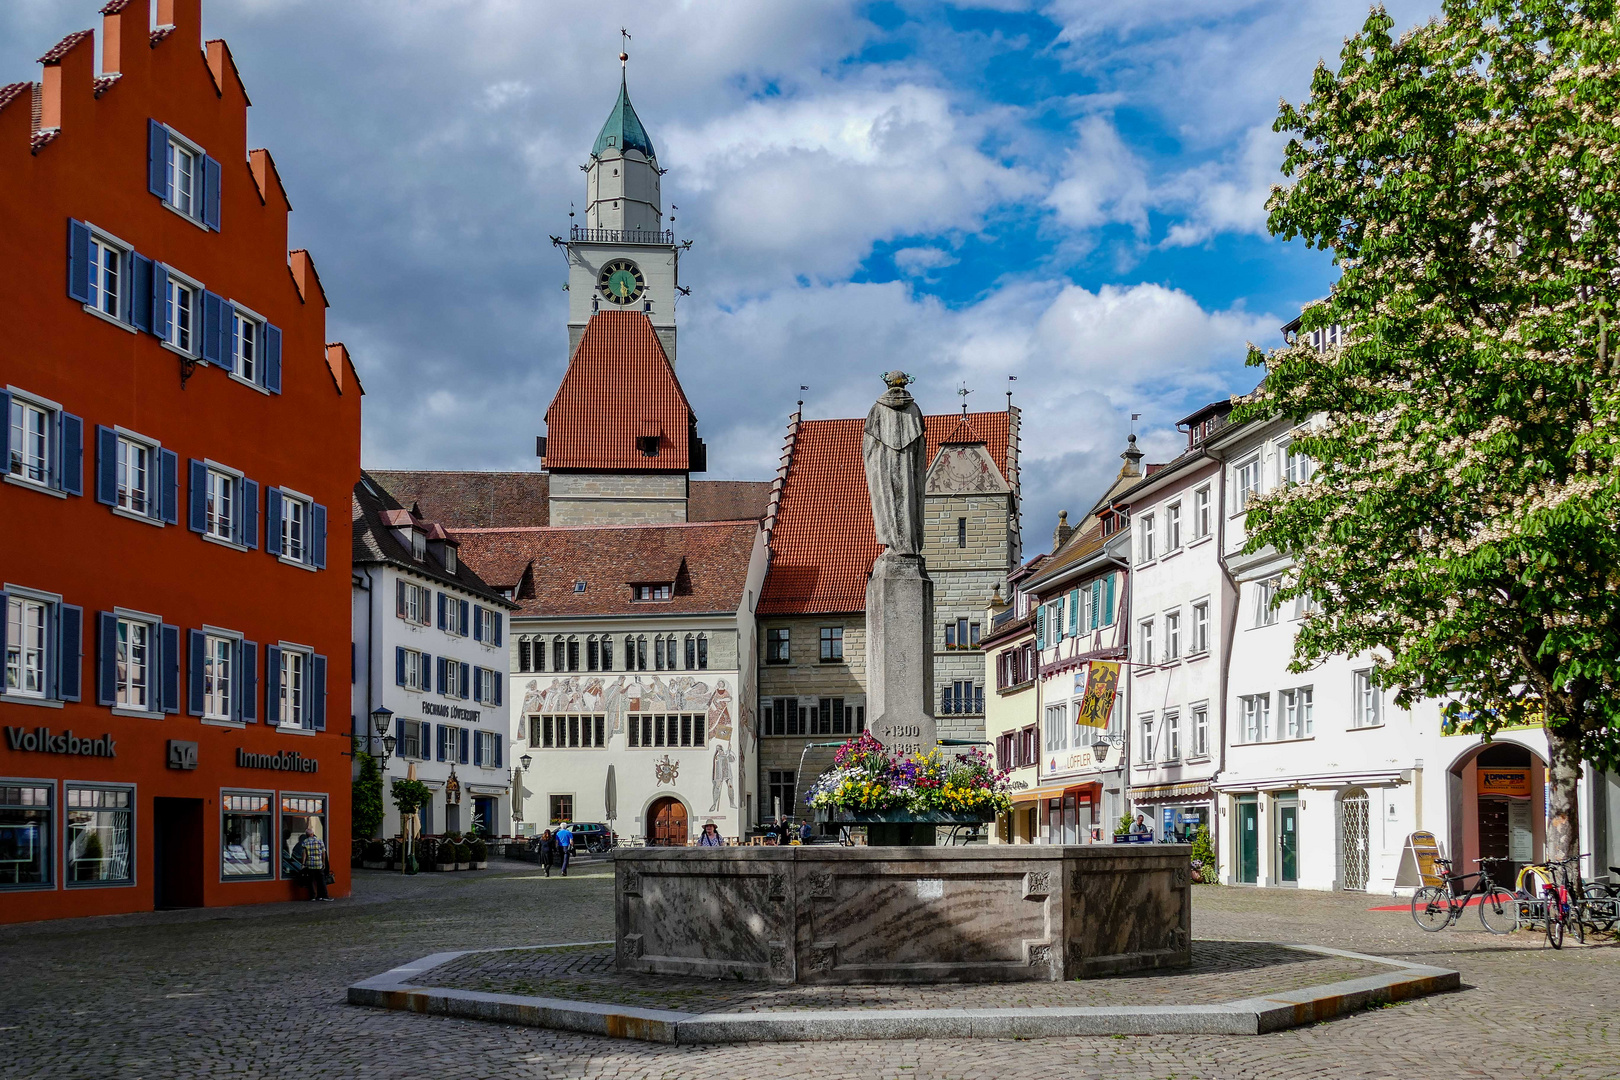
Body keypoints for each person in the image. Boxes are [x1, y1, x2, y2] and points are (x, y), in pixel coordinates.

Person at [294, 832, 331, 901]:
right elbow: (323, 853)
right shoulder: (319, 841)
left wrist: (303, 863)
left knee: (311, 880)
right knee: (321, 880)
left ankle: (313, 896)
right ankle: (323, 896)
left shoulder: (305, 842)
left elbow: (304, 854)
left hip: (310, 864)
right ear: (312, 834)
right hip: (318, 864)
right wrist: (323, 863)